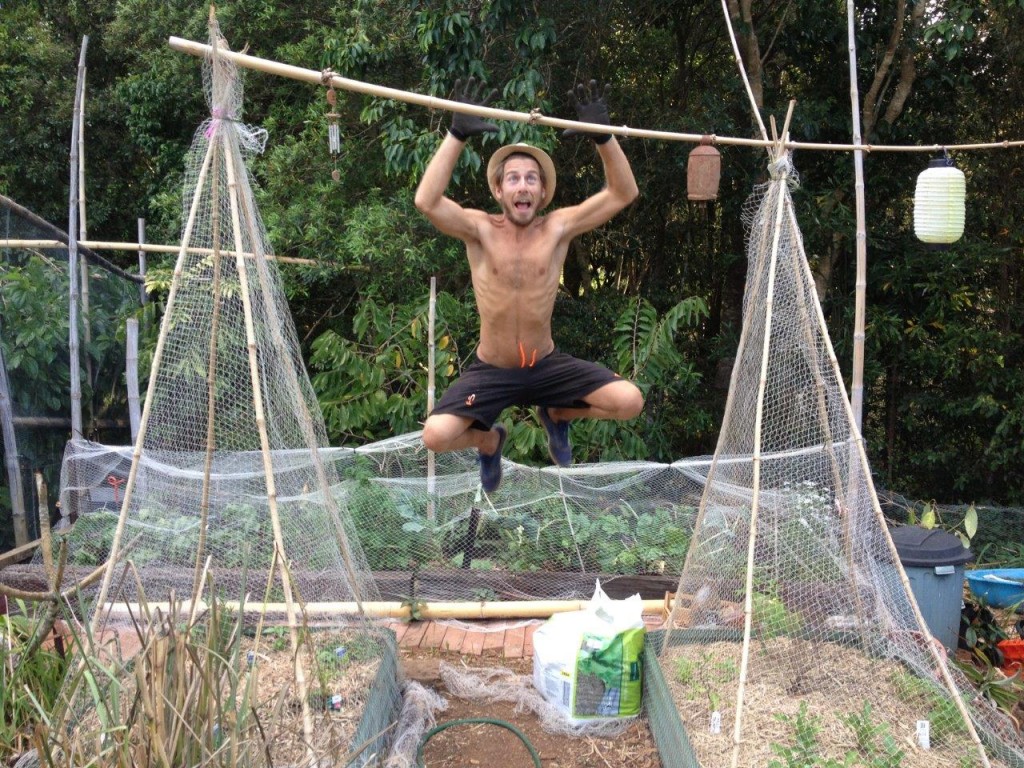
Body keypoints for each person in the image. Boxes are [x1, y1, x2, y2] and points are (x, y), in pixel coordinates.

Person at [414, 78, 644, 493]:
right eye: (514, 179)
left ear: (542, 193)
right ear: (499, 190)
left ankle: (559, 415)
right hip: (493, 370)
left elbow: (622, 192)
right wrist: (456, 134)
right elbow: (426, 202)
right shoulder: (479, 229)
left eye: (532, 179)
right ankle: (489, 439)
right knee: (435, 435)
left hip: (547, 365)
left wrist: (604, 138)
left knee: (629, 401)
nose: (523, 186)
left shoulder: (557, 228)